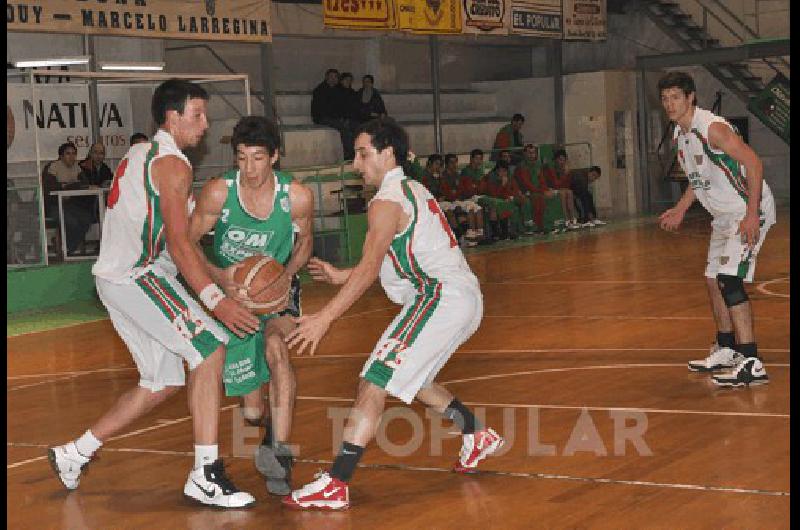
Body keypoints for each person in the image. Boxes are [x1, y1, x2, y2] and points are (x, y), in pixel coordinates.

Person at [48, 79, 260, 508]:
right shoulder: (173, 166)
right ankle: (205, 473)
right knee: (209, 349)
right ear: (172, 116)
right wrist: (218, 303)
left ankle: (76, 452)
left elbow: (177, 241)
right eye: (197, 114)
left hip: (122, 276)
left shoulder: (144, 153)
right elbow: (180, 246)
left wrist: (218, 276)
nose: (205, 123)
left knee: (163, 381)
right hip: (135, 276)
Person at [283, 118, 504, 510]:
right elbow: (391, 258)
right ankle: (476, 434)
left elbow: (371, 268)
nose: (355, 164)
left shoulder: (387, 201)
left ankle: (336, 482)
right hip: (458, 297)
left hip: (438, 297)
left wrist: (325, 317)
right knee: (415, 380)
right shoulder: (411, 188)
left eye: (363, 153)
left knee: (374, 381)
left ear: (388, 154)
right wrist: (342, 275)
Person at [189, 115, 314, 496]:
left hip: (276, 296)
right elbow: (187, 244)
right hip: (232, 298)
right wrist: (218, 276)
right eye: (242, 158)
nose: (249, 167)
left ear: (274, 157)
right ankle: (268, 427)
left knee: (278, 351)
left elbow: (305, 242)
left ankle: (279, 451)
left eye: (258, 158)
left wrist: (288, 275)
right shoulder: (218, 192)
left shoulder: (296, 196)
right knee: (251, 412)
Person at [657, 71, 775, 387]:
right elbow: (699, 180)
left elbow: (754, 164)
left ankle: (752, 360)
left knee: (728, 280)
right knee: (712, 280)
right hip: (723, 216)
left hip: (747, 209)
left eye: (675, 97)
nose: (669, 104)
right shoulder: (680, 135)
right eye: (665, 98)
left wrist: (752, 215)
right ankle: (727, 348)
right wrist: (681, 208)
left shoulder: (712, 128)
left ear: (691, 97)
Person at [42, 142, 95, 256]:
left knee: (87, 219)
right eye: (68, 154)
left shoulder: (76, 167)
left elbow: (84, 183)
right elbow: (50, 187)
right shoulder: (53, 167)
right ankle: (64, 247)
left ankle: (66, 248)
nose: (71, 157)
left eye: (74, 154)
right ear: (61, 156)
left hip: (70, 205)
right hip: (54, 206)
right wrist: (67, 185)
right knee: (72, 222)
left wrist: (68, 185)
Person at [514, 144, 562, 234]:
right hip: (525, 192)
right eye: (529, 153)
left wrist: (546, 190)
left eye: (534, 153)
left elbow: (542, 180)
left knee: (555, 196)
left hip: (538, 191)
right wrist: (542, 192)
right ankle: (541, 227)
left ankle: (556, 224)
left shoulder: (538, 165)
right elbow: (526, 184)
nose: (532, 155)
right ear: (524, 154)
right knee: (539, 198)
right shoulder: (521, 167)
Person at [311, 68, 355, 160]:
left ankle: (354, 152)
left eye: (335, 77)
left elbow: (342, 106)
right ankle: (349, 155)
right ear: (326, 77)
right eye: (331, 77)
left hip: (334, 117)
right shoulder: (320, 90)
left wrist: (344, 117)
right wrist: (339, 118)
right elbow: (323, 110)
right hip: (322, 118)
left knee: (353, 125)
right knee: (343, 127)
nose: (333, 79)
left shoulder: (336, 89)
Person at [548, 149, 580, 230]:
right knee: (563, 193)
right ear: (555, 160)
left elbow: (567, 185)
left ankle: (572, 219)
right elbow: (556, 184)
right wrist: (564, 175)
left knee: (569, 192)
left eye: (563, 160)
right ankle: (566, 220)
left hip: (561, 189)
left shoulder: (566, 169)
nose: (562, 162)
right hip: (551, 189)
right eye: (560, 159)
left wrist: (566, 173)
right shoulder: (551, 169)